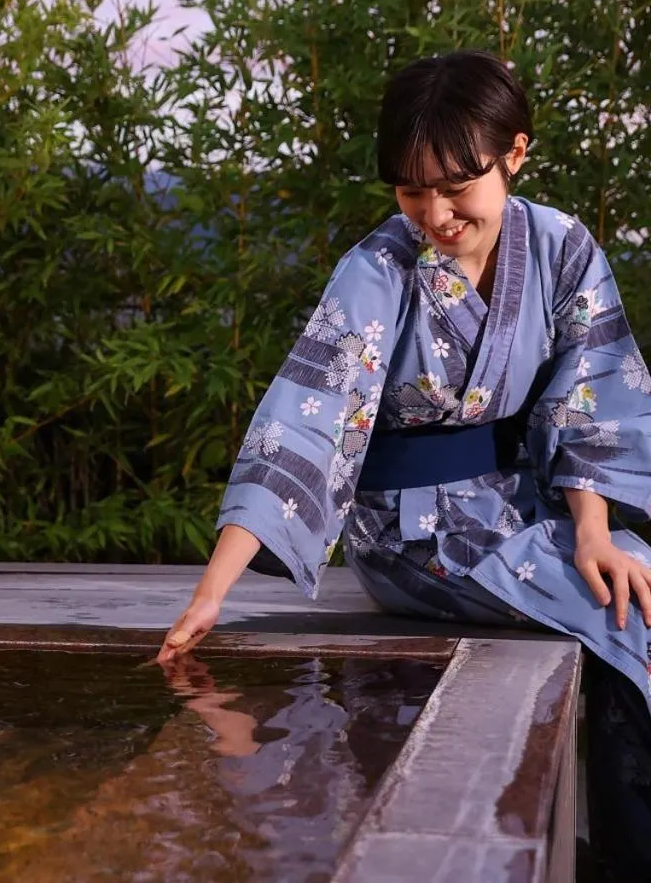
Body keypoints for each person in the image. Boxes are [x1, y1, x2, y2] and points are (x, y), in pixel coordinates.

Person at [156, 49, 651, 878]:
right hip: (416, 532)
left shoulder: (563, 248)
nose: (435, 212)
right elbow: (307, 419)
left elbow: (590, 393)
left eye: (458, 186)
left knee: (630, 579)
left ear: (515, 155)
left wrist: (594, 531)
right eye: (412, 189)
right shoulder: (378, 268)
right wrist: (213, 594)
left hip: (527, 508)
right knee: (626, 619)